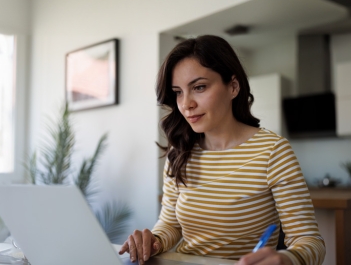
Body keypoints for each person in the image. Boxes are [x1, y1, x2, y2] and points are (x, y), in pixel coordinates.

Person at [118, 35, 325, 265]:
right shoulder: (180, 153)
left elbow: (309, 241)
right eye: (178, 92)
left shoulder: (272, 151)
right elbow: (170, 225)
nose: (186, 104)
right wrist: (153, 240)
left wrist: (286, 259)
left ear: (233, 87)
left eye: (199, 87)